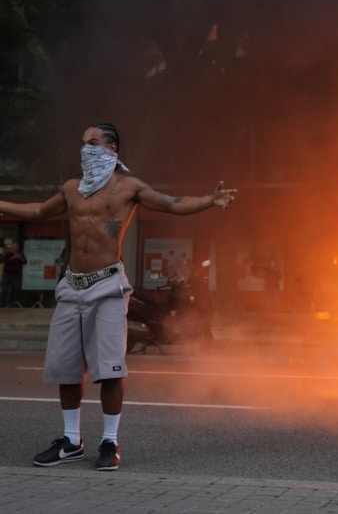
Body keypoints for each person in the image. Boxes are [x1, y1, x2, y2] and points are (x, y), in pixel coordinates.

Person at [0, 123, 236, 471]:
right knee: (66, 370)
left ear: (112, 148)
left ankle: (109, 441)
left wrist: (210, 201)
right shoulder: (71, 188)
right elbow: (36, 211)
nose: (85, 149)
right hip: (71, 286)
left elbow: (173, 203)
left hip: (107, 286)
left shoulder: (129, 187)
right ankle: (71, 441)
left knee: (110, 370)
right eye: (82, 143)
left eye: (92, 143)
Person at [0, 241, 28, 307]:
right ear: (12, 247)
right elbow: (5, 260)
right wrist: (14, 257)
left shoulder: (21, 254)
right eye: (14, 247)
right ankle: (2, 304)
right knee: (5, 289)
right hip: (7, 274)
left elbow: (25, 262)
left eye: (17, 247)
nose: (15, 248)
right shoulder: (7, 254)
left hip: (16, 275)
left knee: (15, 289)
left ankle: (11, 304)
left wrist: (20, 258)